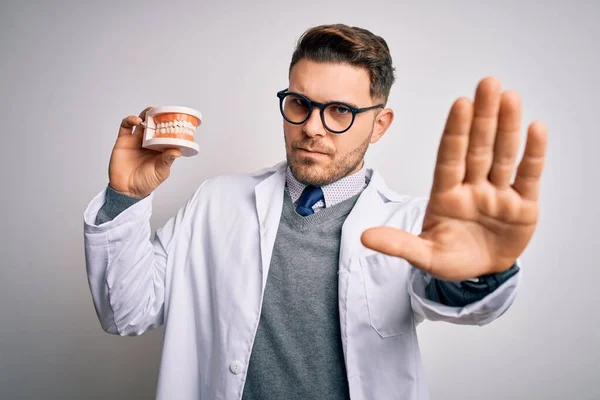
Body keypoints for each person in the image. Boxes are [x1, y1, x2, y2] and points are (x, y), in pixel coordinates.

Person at [83, 24, 547, 400]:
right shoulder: (217, 202)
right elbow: (125, 310)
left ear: (379, 124)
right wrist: (124, 195)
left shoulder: (411, 228)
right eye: (300, 104)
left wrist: (480, 274)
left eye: (340, 111)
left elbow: (462, 304)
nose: (312, 128)